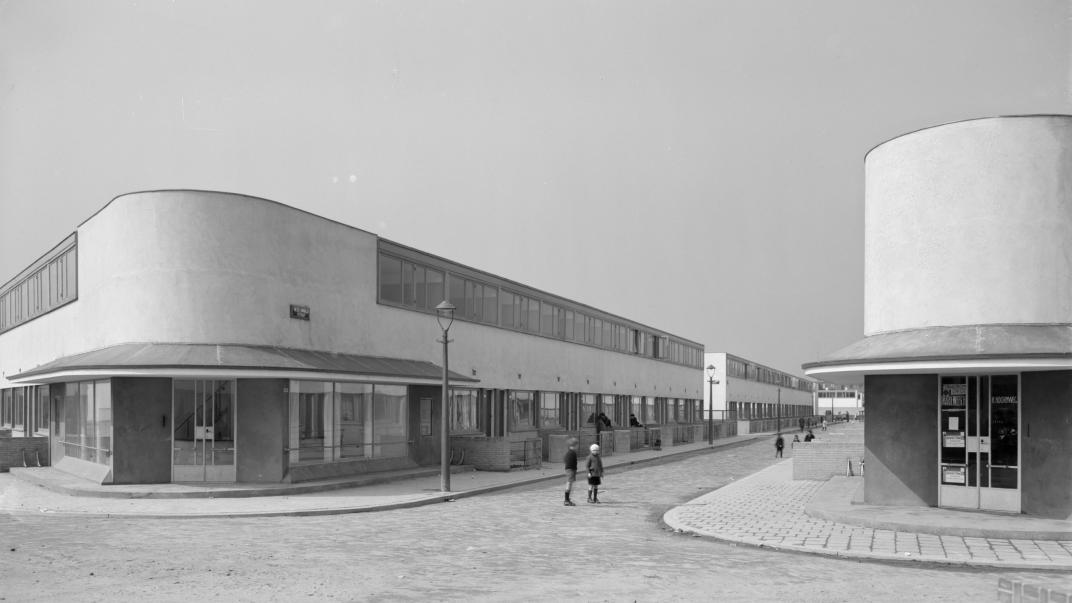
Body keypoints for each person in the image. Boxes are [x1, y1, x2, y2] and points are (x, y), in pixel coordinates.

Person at [562, 438, 578, 506]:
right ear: (574, 445)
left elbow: (564, 460)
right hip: (571, 470)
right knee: (569, 484)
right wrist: (574, 470)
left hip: (569, 469)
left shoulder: (569, 452)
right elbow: (572, 463)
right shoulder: (572, 453)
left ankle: (567, 499)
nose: (577, 447)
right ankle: (566, 500)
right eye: (577, 445)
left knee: (570, 484)